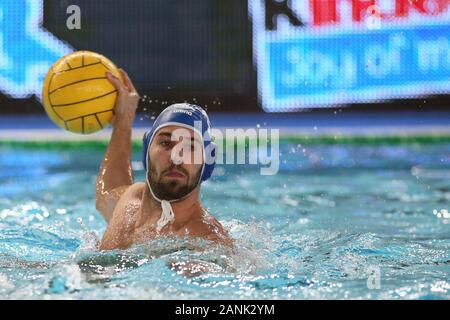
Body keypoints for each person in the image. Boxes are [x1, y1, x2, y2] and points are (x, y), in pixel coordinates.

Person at [96, 69, 232, 251]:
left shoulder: (208, 242)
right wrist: (124, 117)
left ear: (207, 163)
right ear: (146, 152)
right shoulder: (131, 200)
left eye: (191, 147)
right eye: (166, 143)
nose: (176, 156)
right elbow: (107, 193)